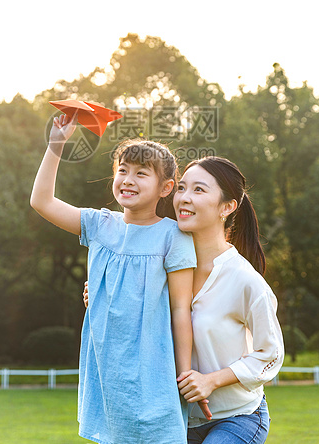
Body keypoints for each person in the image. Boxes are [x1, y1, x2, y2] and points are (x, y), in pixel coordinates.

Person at [30, 113, 210, 444]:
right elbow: (41, 202)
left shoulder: (173, 236)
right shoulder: (99, 225)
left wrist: (185, 375)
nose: (128, 179)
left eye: (141, 173)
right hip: (108, 371)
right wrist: (56, 145)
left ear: (166, 188)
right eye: (122, 171)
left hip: (153, 371)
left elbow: (180, 310)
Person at [174, 156, 284, 443]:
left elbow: (271, 354)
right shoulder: (165, 267)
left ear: (227, 207)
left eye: (198, 190)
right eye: (181, 188)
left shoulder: (244, 280)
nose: (184, 198)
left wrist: (211, 380)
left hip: (238, 417)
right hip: (176, 419)